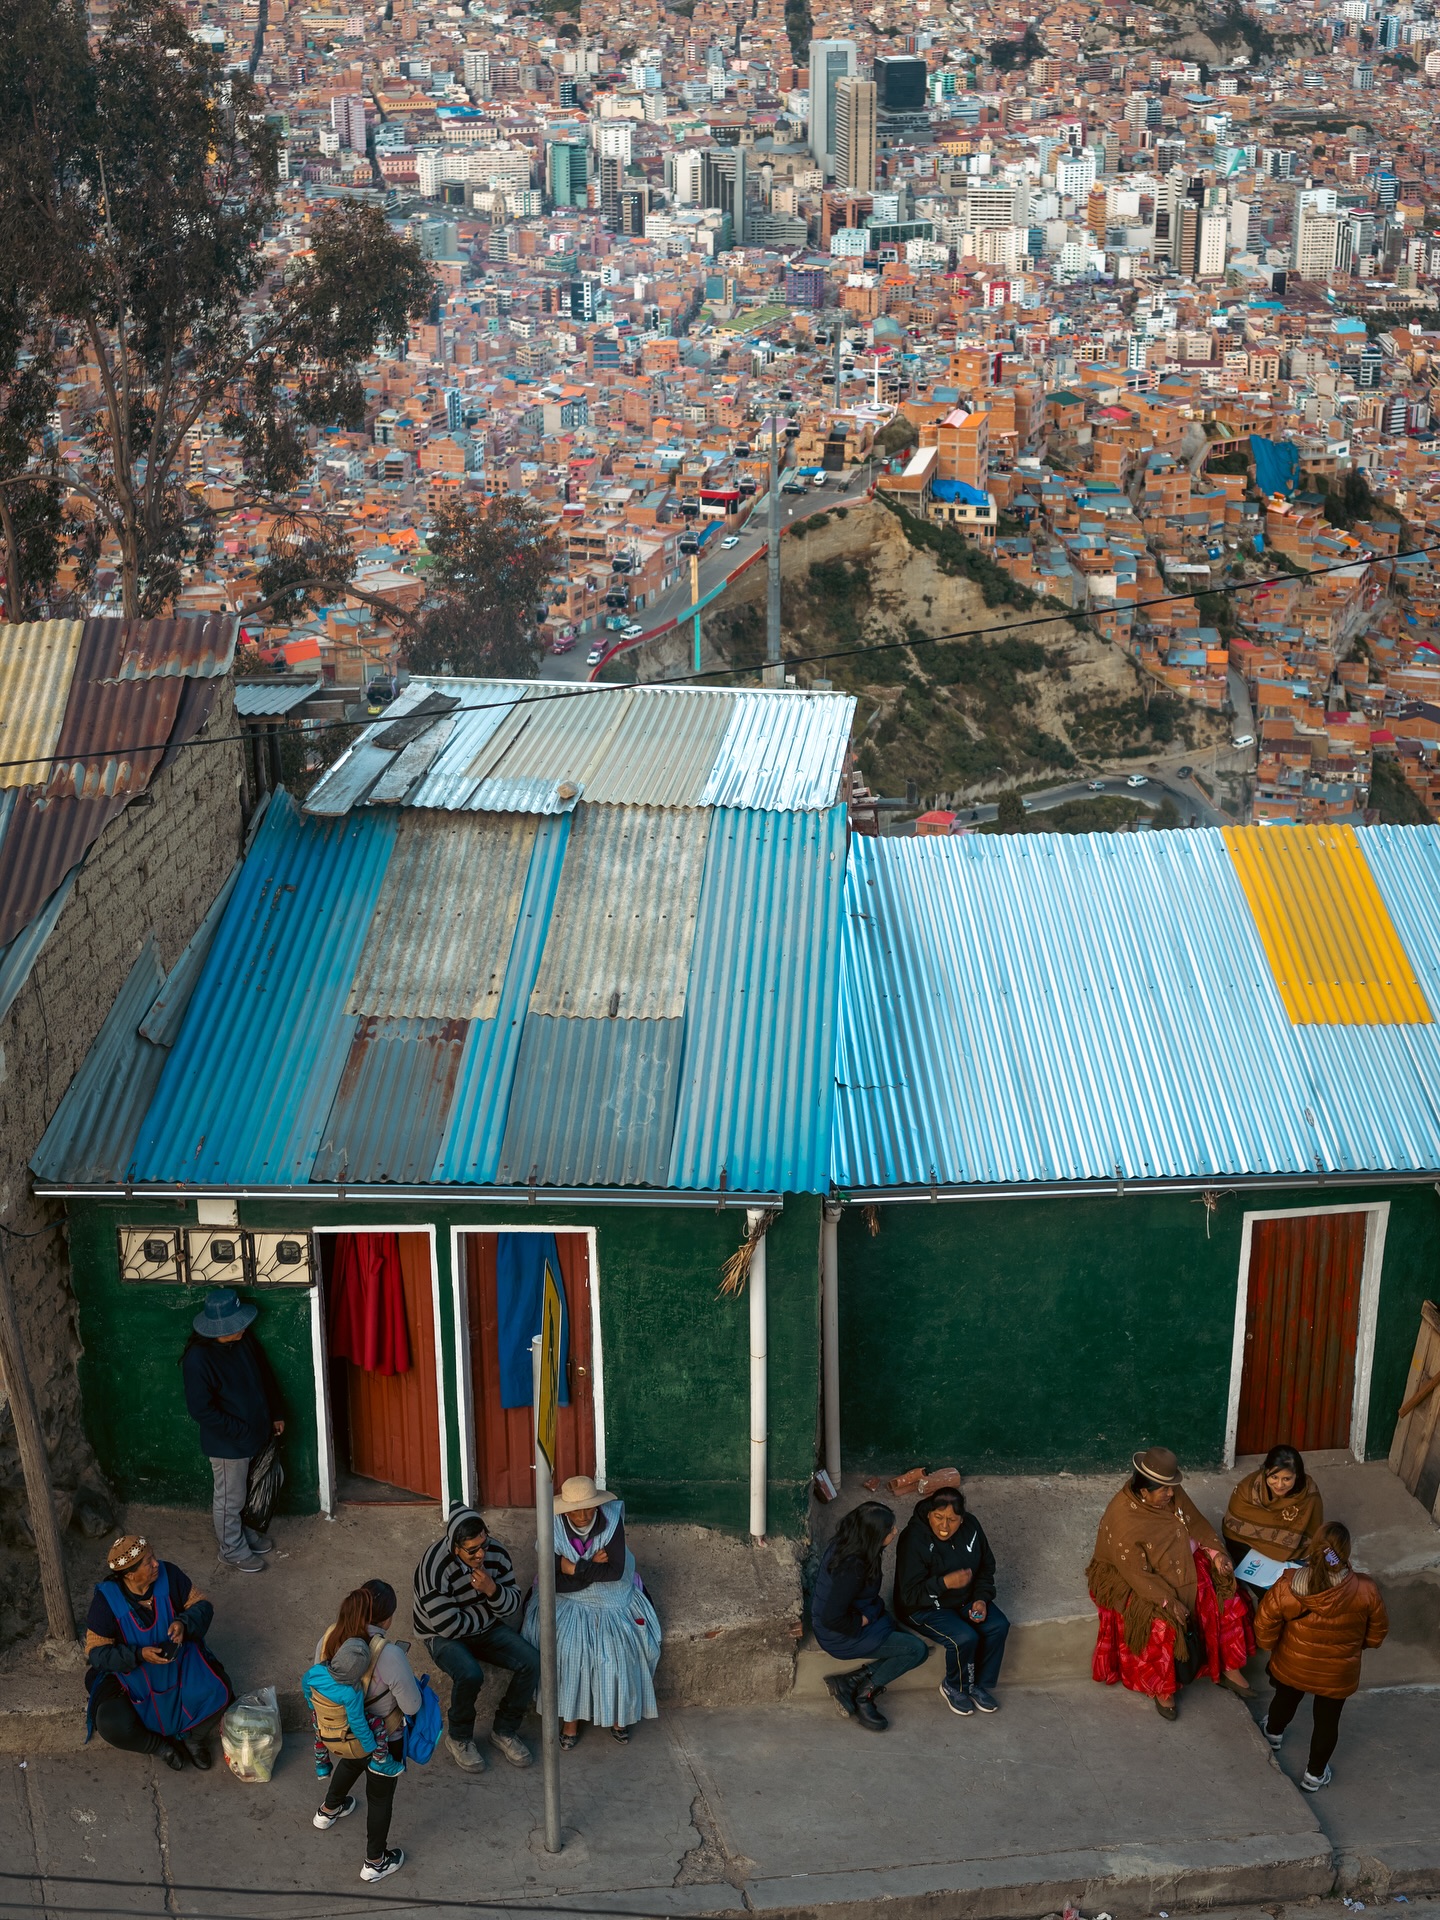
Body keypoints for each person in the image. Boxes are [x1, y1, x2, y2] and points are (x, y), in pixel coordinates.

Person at [1087, 1446, 1255, 1721]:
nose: (1171, 1494)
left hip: (1178, 1560)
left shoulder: (1170, 1491)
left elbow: (1196, 1523)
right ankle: (1163, 1688)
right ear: (1144, 1492)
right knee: (1162, 1626)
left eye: (1171, 1488)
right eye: (1163, 1491)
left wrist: (1215, 1555)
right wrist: (1168, 1600)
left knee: (1220, 1596)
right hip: (1138, 1576)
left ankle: (1226, 1665)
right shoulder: (1124, 1520)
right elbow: (1137, 1573)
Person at [523, 1475, 661, 1748]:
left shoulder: (611, 1522)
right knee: (569, 1650)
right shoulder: (550, 1526)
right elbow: (552, 1579)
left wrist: (573, 1567)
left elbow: (614, 1572)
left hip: (612, 1592)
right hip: (566, 1595)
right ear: (565, 1509)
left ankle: (619, 1716)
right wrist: (587, 1567)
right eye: (576, 1510)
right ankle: (570, 1719)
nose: (583, 1515)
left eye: (589, 1508)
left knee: (618, 1648)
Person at [1255, 1522, 1388, 1792]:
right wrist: (1357, 1647)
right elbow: (1377, 1635)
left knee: (1285, 1697)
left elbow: (1264, 1624)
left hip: (1293, 1663)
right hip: (1338, 1674)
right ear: (1346, 1552)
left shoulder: (1289, 1584)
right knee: (1327, 1721)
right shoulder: (1365, 1589)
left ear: (1314, 1548)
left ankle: (1273, 1734)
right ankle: (1314, 1775)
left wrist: (1272, 1646)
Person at [84, 1535, 231, 1771]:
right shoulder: (106, 1601)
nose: (156, 1564)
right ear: (129, 1575)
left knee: (220, 1690)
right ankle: (160, 1747)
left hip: (178, 1665)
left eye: (153, 1556)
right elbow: (97, 1653)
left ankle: (193, 1738)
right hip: (132, 1676)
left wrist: (184, 1623)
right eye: (148, 1561)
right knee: (111, 1723)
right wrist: (138, 1655)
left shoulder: (169, 1575)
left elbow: (202, 1605)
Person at [413, 1502, 538, 1773]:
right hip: (441, 1635)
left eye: (484, 1544)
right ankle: (459, 1737)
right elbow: (447, 1626)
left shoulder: (496, 1554)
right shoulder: (434, 1567)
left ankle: (504, 1730)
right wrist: (487, 1612)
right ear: (455, 1547)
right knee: (470, 1673)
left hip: (484, 1628)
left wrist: (492, 1590)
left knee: (531, 1661)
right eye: (472, 1550)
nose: (481, 1554)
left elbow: (511, 1604)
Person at [303, 1600, 408, 1886]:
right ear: (384, 1619)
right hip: (372, 1737)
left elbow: (308, 1689)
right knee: (379, 1797)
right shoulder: (389, 1654)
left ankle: (328, 1810)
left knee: (351, 1762)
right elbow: (410, 1706)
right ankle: (375, 1862)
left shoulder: (329, 1638)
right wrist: (374, 1749)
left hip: (332, 1733)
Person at [180, 1287, 285, 1574]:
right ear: (216, 1328)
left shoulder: (242, 1341)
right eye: (234, 1326)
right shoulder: (198, 1359)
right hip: (228, 1444)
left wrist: (274, 1413)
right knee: (229, 1498)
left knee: (243, 1492)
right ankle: (232, 1549)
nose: (242, 1329)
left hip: (254, 1435)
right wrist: (240, 1431)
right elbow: (201, 1410)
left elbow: (264, 1374)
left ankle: (240, 1534)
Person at [813, 1500, 927, 1733]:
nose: (895, 1531)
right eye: (890, 1530)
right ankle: (865, 1694)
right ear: (873, 1536)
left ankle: (850, 1681)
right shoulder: (851, 1567)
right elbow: (832, 1618)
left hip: (865, 1613)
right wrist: (864, 1620)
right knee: (917, 1650)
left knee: (905, 1643)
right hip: (840, 1634)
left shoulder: (854, 1544)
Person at [894, 1488, 1010, 1716]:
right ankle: (954, 1686)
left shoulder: (972, 1527)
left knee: (998, 1626)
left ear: (962, 1519)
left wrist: (981, 1598)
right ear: (929, 1514)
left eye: (952, 1520)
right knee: (964, 1637)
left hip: (964, 1599)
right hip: (922, 1606)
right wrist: (945, 1583)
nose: (944, 1526)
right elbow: (909, 1595)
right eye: (939, 1518)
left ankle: (977, 1684)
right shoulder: (913, 1538)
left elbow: (986, 1567)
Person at [1224, 1445, 1324, 1571]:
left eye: (1287, 1479)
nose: (1279, 1485)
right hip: (1247, 1543)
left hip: (1295, 1550)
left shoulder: (1309, 1493)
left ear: (1297, 1475)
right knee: (1271, 1588)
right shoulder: (1247, 1490)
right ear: (1266, 1472)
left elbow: (1314, 1532)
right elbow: (1234, 1530)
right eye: (1274, 1477)